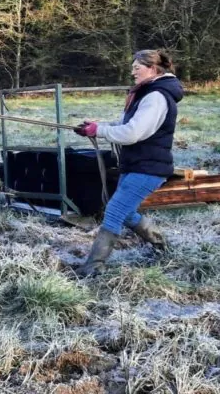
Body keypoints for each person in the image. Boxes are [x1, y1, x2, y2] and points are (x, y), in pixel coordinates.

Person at [73, 49, 184, 277]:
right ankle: (161, 246)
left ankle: (93, 268)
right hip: (137, 164)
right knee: (126, 212)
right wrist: (96, 127)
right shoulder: (147, 93)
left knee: (114, 211)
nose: (132, 72)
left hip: (149, 168)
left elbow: (132, 133)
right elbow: (125, 124)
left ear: (152, 69)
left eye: (137, 67)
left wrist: (100, 131)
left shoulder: (156, 97)